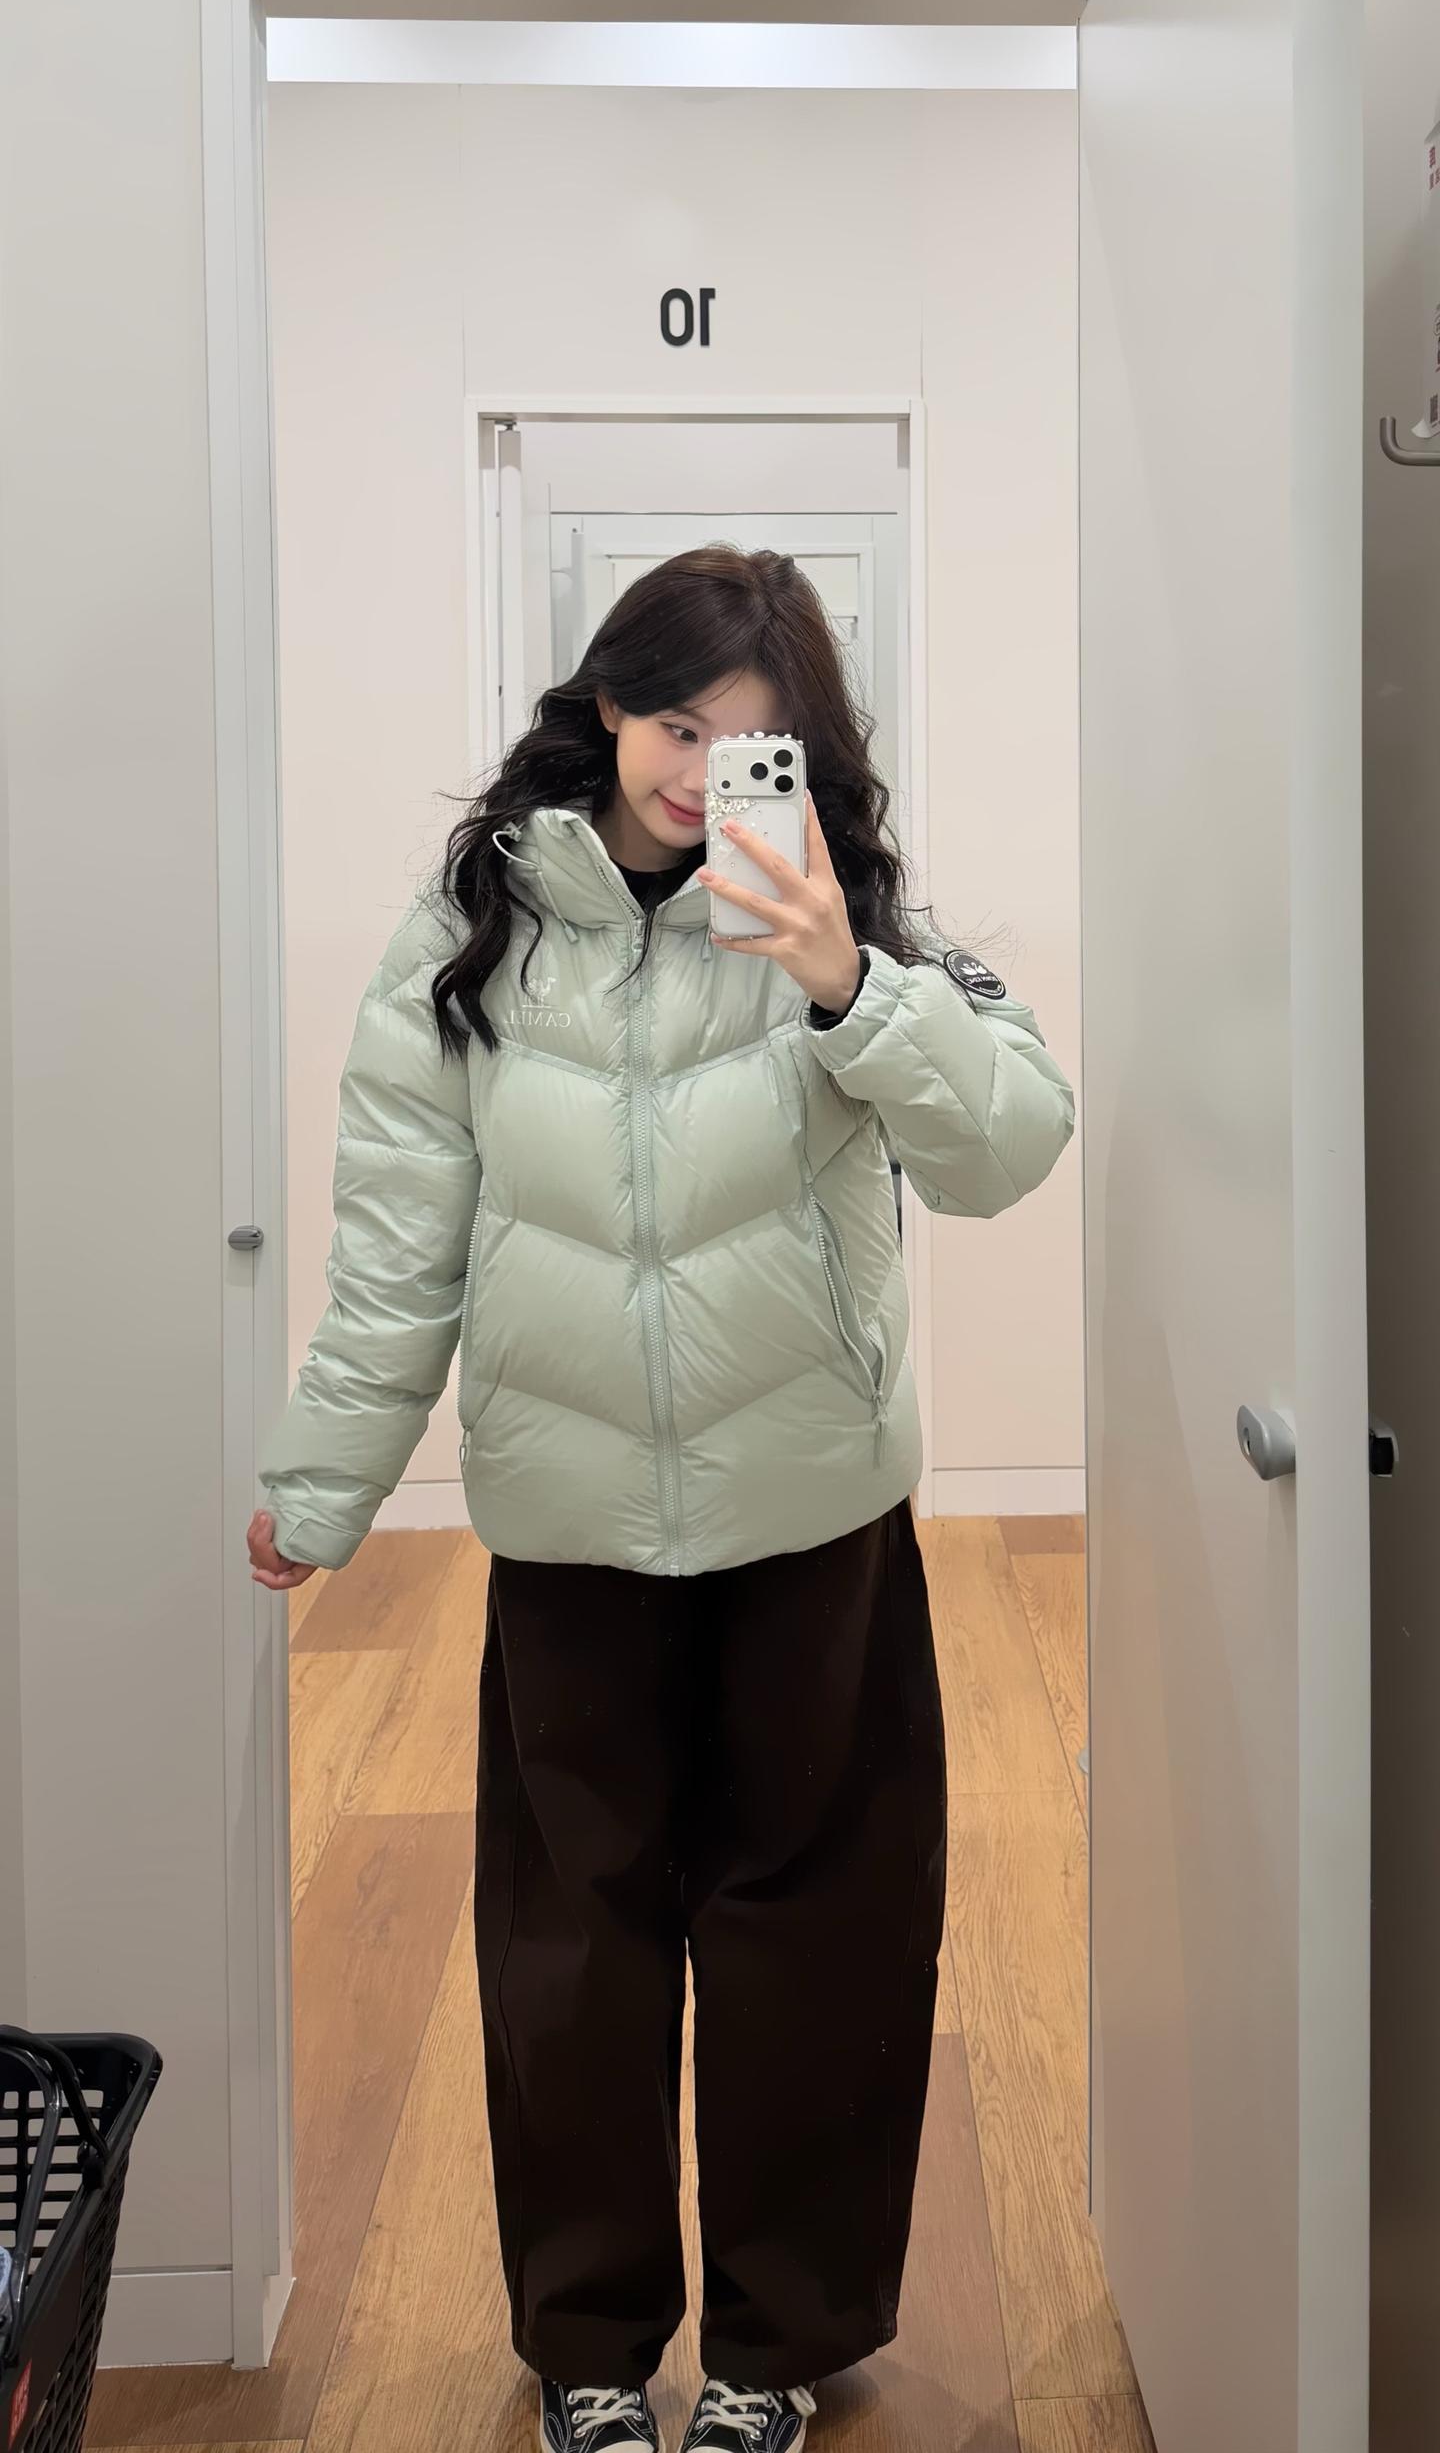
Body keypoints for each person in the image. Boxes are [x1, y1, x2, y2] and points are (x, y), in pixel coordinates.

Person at [248, 545, 1074, 2453]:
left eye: (750, 741)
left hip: (814, 1521)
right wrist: (325, 1478)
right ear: (607, 704)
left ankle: (778, 2350)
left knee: (821, 1935)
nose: (704, 775)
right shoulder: (472, 924)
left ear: (808, 753)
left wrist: (844, 979)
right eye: (677, 725)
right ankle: (592, 2350)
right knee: (572, 1953)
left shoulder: (844, 912)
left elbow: (1010, 1147)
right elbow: (399, 1239)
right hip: (570, 1526)